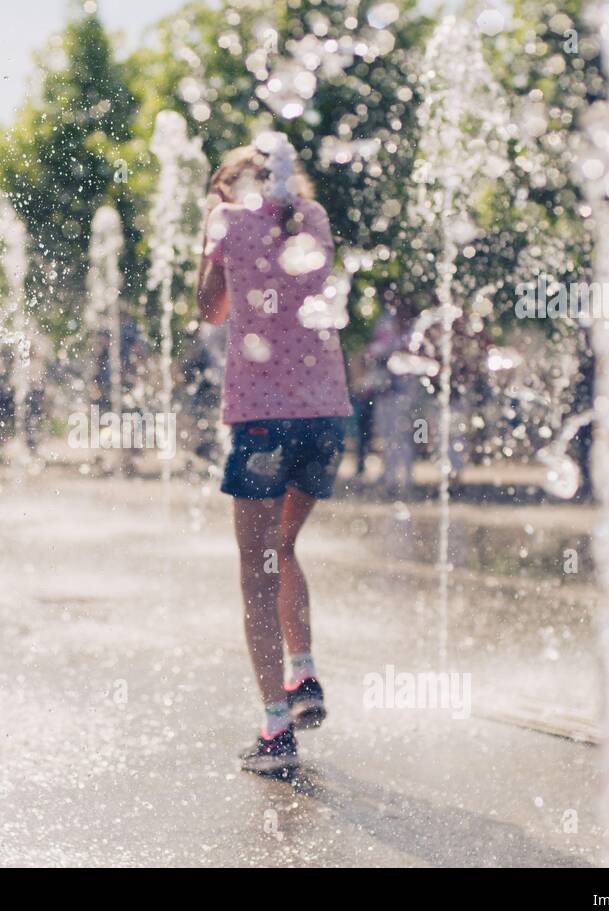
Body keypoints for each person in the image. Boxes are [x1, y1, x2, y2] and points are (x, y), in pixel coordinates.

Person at [197, 132, 351, 776]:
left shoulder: (227, 222)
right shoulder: (312, 219)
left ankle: (274, 731)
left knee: (256, 576)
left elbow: (209, 310)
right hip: (326, 419)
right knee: (283, 548)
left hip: (263, 423)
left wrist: (211, 235)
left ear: (231, 184)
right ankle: (304, 673)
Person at [365, 290, 417, 498]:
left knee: (403, 433)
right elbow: (373, 350)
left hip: (405, 389)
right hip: (385, 388)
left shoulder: (413, 331)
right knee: (387, 434)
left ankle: (405, 476)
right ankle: (389, 476)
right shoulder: (385, 323)